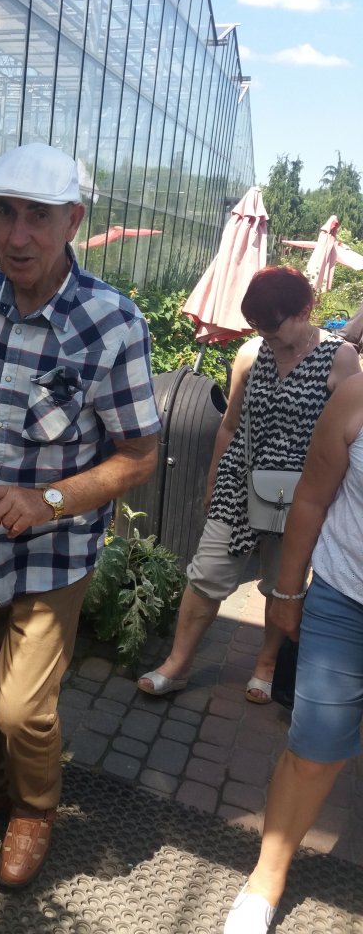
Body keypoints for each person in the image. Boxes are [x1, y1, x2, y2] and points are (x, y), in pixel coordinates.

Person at [0, 142, 161, 888]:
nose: (18, 236)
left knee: (23, 706)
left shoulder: (111, 323)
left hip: (53, 554)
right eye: (4, 213)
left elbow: (139, 455)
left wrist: (47, 500)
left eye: (38, 217)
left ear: (73, 221)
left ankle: (34, 810)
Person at [138, 265, 360, 703]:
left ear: (305, 310)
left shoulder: (340, 358)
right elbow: (230, 424)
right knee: (206, 575)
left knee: (281, 584)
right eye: (257, 326)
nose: (265, 335)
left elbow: (344, 437)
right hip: (240, 483)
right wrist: (213, 479)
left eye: (273, 326)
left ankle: (266, 666)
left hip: (301, 495)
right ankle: (177, 665)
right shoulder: (251, 353)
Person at [223, 371, 363, 933]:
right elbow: (311, 494)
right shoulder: (356, 395)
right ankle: (267, 878)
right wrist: (286, 592)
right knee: (313, 749)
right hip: (346, 599)